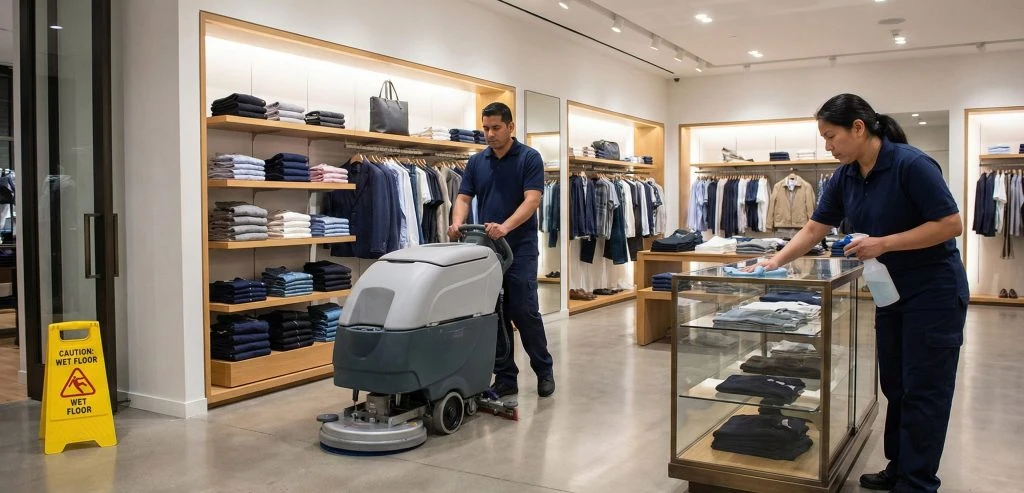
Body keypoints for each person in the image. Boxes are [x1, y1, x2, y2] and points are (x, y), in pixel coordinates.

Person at [750, 94, 967, 493]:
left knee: (925, 389)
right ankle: (899, 468)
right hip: (889, 293)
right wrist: (773, 261)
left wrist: (884, 243)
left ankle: (917, 482)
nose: (827, 146)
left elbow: (950, 224)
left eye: (830, 136)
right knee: (896, 386)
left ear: (859, 128)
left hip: (933, 292)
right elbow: (815, 228)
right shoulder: (844, 177)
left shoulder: (911, 165)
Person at [448, 102, 555, 398]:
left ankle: (544, 370)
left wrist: (506, 226)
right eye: (486, 128)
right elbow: (464, 197)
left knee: (524, 310)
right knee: (493, 313)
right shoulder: (476, 162)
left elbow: (532, 200)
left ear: (510, 127)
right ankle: (506, 376)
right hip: (486, 249)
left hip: (520, 248)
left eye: (496, 128)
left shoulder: (529, 158)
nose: (490, 134)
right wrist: (457, 222)